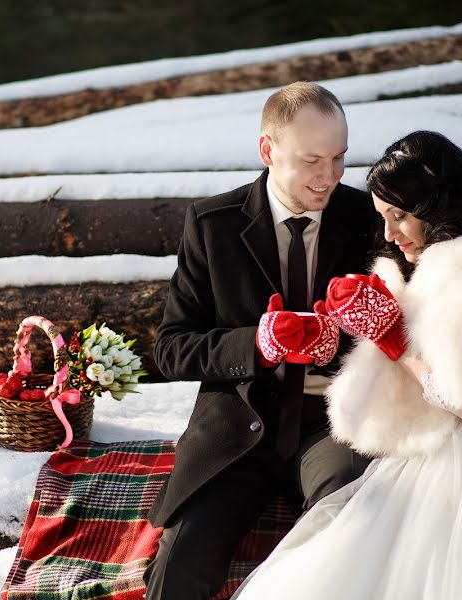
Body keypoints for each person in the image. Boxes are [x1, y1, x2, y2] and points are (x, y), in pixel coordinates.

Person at [233, 130, 462, 599]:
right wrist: (331, 333)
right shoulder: (428, 264)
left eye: (399, 216)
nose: (389, 234)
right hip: (431, 448)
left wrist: (392, 337)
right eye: (382, 217)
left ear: (438, 205)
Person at [143, 81, 378, 599]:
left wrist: (341, 341)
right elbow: (172, 347)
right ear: (267, 150)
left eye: (340, 158)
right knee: (178, 566)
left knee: (348, 536)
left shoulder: (367, 219)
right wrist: (259, 345)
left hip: (332, 422)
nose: (329, 177)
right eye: (312, 159)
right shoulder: (212, 224)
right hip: (237, 424)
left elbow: (394, 331)